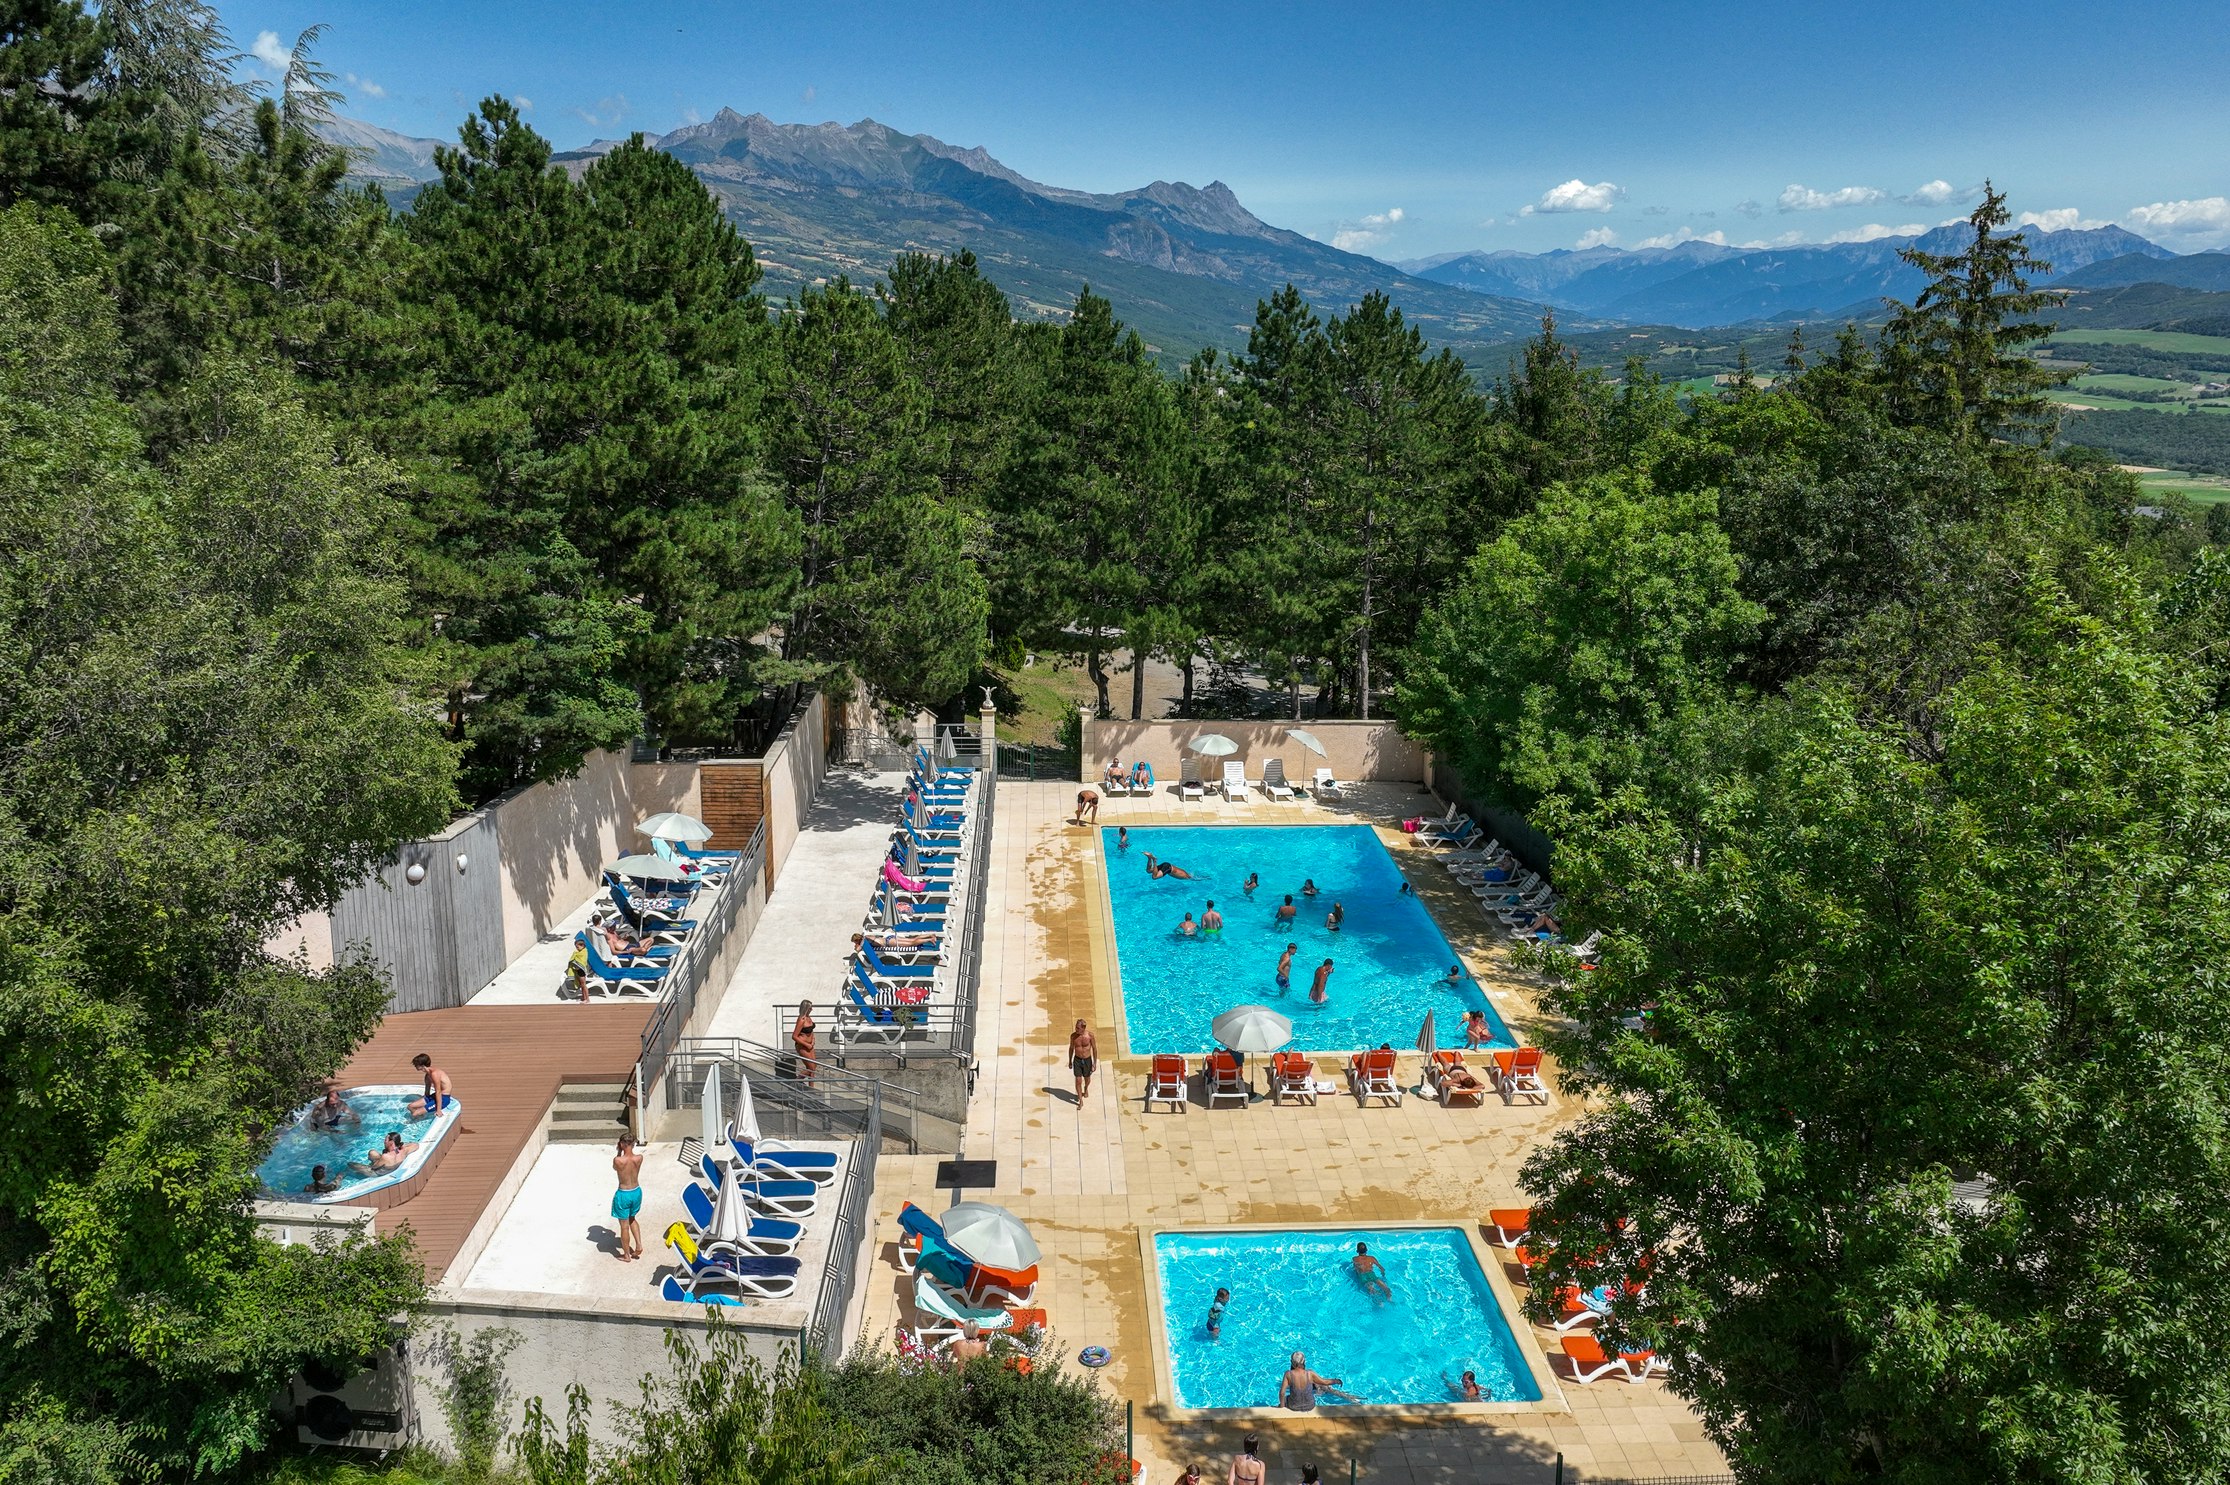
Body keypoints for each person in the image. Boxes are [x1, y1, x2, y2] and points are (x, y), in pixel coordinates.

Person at [612, 1136, 645, 1262]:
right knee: (632, 1218)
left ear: (621, 1144)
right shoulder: (639, 1158)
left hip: (624, 1193)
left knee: (624, 1226)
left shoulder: (618, 1160)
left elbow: (615, 1168)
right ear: (634, 1143)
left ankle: (626, 1255)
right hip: (636, 1191)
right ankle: (639, 1245)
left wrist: (619, 1152)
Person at [1280, 1353, 1346, 1412]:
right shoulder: (1310, 1373)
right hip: (1310, 1406)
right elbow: (1325, 1382)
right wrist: (1336, 1381)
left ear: (1291, 1362)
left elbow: (1282, 1393)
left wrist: (1282, 1407)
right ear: (1304, 1361)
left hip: (1294, 1407)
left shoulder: (1288, 1374)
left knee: (1286, 1398)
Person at [407, 1053, 451, 1118]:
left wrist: (438, 1110)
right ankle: (421, 1116)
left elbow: (438, 1091)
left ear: (422, 1065)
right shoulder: (427, 1075)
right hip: (434, 1096)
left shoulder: (434, 1074)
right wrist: (425, 1100)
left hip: (444, 1098)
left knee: (415, 1114)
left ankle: (419, 1117)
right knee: (410, 1106)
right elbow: (427, 1091)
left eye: (416, 1064)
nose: (415, 1066)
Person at [1069, 1019, 1098, 1101]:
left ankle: (1085, 1088)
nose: (1076, 1029)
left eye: (1078, 1028)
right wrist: (1070, 1061)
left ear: (1083, 1028)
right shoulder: (1073, 1036)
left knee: (1087, 1079)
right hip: (1077, 1060)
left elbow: (1094, 1049)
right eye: (1076, 1027)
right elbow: (1071, 1048)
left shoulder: (1090, 1036)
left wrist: (1094, 1063)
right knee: (1078, 1080)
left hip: (1087, 1060)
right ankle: (1080, 1100)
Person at [792, 1002, 817, 1084]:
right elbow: (794, 1036)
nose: (811, 1010)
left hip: (810, 1045)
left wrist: (813, 1039)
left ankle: (811, 1090)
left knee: (813, 1068)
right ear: (805, 1009)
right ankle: (795, 1082)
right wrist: (806, 1044)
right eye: (810, 1008)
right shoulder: (801, 1020)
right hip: (802, 1046)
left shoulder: (809, 1018)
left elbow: (811, 1031)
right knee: (811, 1068)